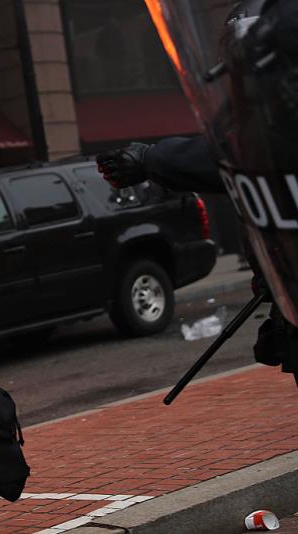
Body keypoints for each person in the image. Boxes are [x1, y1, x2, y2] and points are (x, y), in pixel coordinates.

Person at [96, 0, 298, 379]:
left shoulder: (281, 114)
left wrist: (150, 159)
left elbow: (237, 152)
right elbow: (232, 145)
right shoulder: (256, 111)